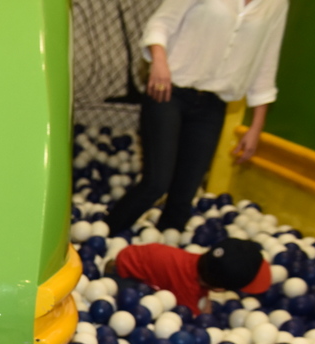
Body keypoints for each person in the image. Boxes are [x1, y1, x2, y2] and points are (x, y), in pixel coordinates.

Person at [105, 0, 289, 235]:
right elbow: (161, 23)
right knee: (157, 182)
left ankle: (165, 249)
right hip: (169, 90)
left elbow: (266, 62)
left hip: (213, 105)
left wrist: (256, 127)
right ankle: (105, 233)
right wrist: (159, 62)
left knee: (186, 191)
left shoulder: (276, 4)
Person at [106, 237, 271, 314]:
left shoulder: (194, 260)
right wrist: (201, 312)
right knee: (147, 305)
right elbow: (190, 311)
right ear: (219, 289)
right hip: (122, 275)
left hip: (130, 253)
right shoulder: (188, 291)